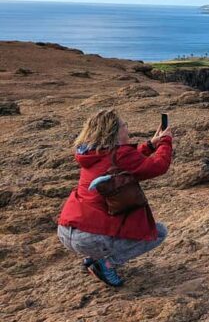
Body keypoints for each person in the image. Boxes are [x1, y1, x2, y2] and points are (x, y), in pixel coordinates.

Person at [57, 109, 173, 287]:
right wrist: (166, 141)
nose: (127, 128)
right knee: (158, 233)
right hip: (89, 237)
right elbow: (159, 166)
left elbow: (123, 162)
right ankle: (107, 264)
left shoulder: (92, 153)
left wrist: (150, 145)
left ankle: (93, 258)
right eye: (124, 125)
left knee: (104, 222)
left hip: (66, 231)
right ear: (115, 133)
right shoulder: (120, 155)